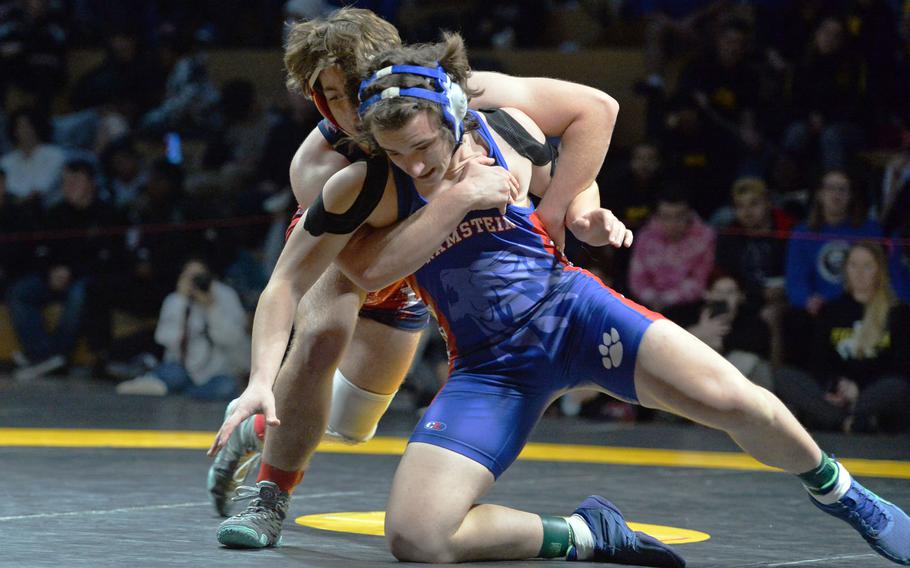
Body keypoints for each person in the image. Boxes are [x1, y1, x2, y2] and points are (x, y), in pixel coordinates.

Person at [254, 36, 909, 565]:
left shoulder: (503, 129)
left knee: (736, 401)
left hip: (573, 314)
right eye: (398, 154)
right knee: (417, 539)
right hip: (490, 367)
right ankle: (587, 534)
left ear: (453, 115)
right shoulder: (364, 184)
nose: (416, 167)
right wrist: (454, 197)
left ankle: (850, 498)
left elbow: (590, 123)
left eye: (425, 149)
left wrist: (576, 209)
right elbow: (345, 274)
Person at [207, 7, 625, 523]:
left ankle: (264, 429)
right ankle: (269, 497)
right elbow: (360, 269)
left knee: (355, 422)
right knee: (320, 341)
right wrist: (259, 379)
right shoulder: (323, 166)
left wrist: (564, 209)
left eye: (353, 88)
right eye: (329, 96)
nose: (347, 112)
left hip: (425, 254)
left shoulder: (453, 94)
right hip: (363, 250)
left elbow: (583, 119)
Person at [775, 242, 910, 434]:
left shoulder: (898, 313)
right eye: (853, 265)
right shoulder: (832, 310)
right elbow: (818, 360)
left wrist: (859, 389)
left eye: (867, 266)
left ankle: (845, 419)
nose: (859, 272)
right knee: (785, 377)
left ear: (879, 270)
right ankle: (851, 423)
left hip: (874, 392)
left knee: (898, 386)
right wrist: (835, 385)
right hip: (838, 394)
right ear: (845, 269)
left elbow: (900, 367)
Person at [7, 159, 120, 382]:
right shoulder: (56, 213)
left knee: (81, 293)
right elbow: (40, 251)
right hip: (54, 278)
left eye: (76, 181)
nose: (70, 187)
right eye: (66, 181)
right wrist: (51, 272)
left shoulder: (107, 215)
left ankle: (59, 356)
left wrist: (72, 273)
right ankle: (44, 356)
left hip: (86, 279)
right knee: (20, 292)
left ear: (92, 183)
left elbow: (108, 258)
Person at [116, 258, 249, 400]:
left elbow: (233, 339)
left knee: (226, 387)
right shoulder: (175, 299)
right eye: (190, 276)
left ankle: (176, 390)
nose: (195, 281)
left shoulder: (225, 295)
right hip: (181, 368)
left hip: (215, 371)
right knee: (174, 375)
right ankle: (175, 387)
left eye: (200, 276)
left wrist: (211, 307)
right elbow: (163, 338)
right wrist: (181, 302)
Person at [627, 184, 716, 312]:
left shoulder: (705, 237)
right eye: (666, 216)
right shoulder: (645, 236)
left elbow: (700, 281)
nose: (672, 223)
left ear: (689, 214)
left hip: (689, 307)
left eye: (679, 216)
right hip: (647, 305)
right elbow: (637, 277)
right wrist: (651, 298)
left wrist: (667, 300)